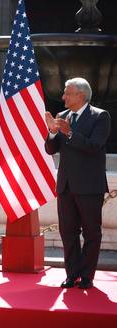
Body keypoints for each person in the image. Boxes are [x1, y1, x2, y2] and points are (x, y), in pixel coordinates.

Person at [45, 77, 111, 289]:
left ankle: (87, 276)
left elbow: (94, 146)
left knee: (92, 233)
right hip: (66, 186)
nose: (63, 97)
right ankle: (72, 274)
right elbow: (51, 149)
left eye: (67, 93)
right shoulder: (62, 116)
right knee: (68, 233)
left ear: (81, 95)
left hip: (90, 186)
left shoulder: (100, 117)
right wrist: (53, 132)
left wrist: (70, 133)